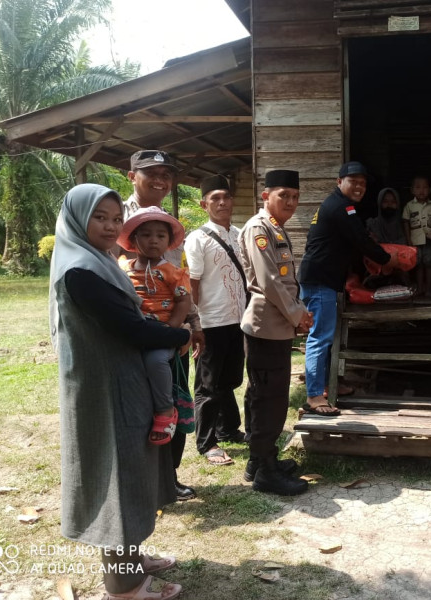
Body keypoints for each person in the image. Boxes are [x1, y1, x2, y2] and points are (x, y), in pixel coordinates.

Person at [50, 184, 187, 600]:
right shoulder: (80, 271)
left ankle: (132, 559)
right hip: (104, 392)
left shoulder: (99, 262)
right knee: (117, 481)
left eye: (114, 218)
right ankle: (125, 587)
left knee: (133, 475)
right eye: (99, 218)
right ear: (77, 219)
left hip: (122, 381)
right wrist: (178, 333)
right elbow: (130, 327)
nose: (110, 226)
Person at [125, 149, 201, 501]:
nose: (159, 180)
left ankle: (168, 477)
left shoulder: (169, 225)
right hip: (133, 335)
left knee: (174, 398)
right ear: (132, 176)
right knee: (140, 406)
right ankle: (143, 481)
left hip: (173, 333)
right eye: (150, 172)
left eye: (166, 174)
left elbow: (182, 282)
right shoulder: (115, 218)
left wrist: (192, 322)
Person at [298, 161, 398, 414]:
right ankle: (314, 397)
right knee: (319, 337)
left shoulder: (338, 206)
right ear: (339, 182)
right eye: (353, 181)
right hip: (321, 280)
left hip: (325, 279)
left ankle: (331, 383)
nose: (359, 187)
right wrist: (388, 260)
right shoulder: (342, 207)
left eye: (363, 183)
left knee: (329, 336)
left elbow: (351, 242)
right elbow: (361, 241)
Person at [238, 169, 313, 496]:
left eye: (295, 197)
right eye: (284, 195)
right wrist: (298, 314)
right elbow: (269, 281)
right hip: (267, 325)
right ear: (265, 196)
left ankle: (260, 461)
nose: (291, 202)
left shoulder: (274, 227)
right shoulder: (259, 228)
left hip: (275, 324)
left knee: (265, 394)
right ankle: (265, 470)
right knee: (270, 399)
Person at [184, 174, 248, 465]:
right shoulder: (197, 239)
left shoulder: (240, 233)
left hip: (238, 319)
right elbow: (192, 283)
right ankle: (206, 442)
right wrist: (193, 323)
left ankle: (228, 430)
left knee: (231, 379)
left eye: (226, 197)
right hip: (210, 321)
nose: (222, 202)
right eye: (215, 199)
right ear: (204, 204)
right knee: (207, 385)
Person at [117, 207, 191, 445]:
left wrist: (170, 330)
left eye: (161, 236)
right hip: (134, 333)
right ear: (133, 240)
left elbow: (183, 301)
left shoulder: (173, 272)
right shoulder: (123, 269)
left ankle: (166, 410)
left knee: (156, 360)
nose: (153, 240)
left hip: (162, 334)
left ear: (169, 242)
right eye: (146, 235)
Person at [402, 175, 431, 296]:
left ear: (430, 190)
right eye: (418, 187)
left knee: (429, 264)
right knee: (418, 265)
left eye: (425, 187)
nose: (421, 190)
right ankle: (420, 289)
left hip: (429, 239)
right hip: (415, 240)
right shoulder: (409, 206)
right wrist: (408, 240)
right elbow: (405, 222)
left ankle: (428, 289)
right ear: (412, 190)